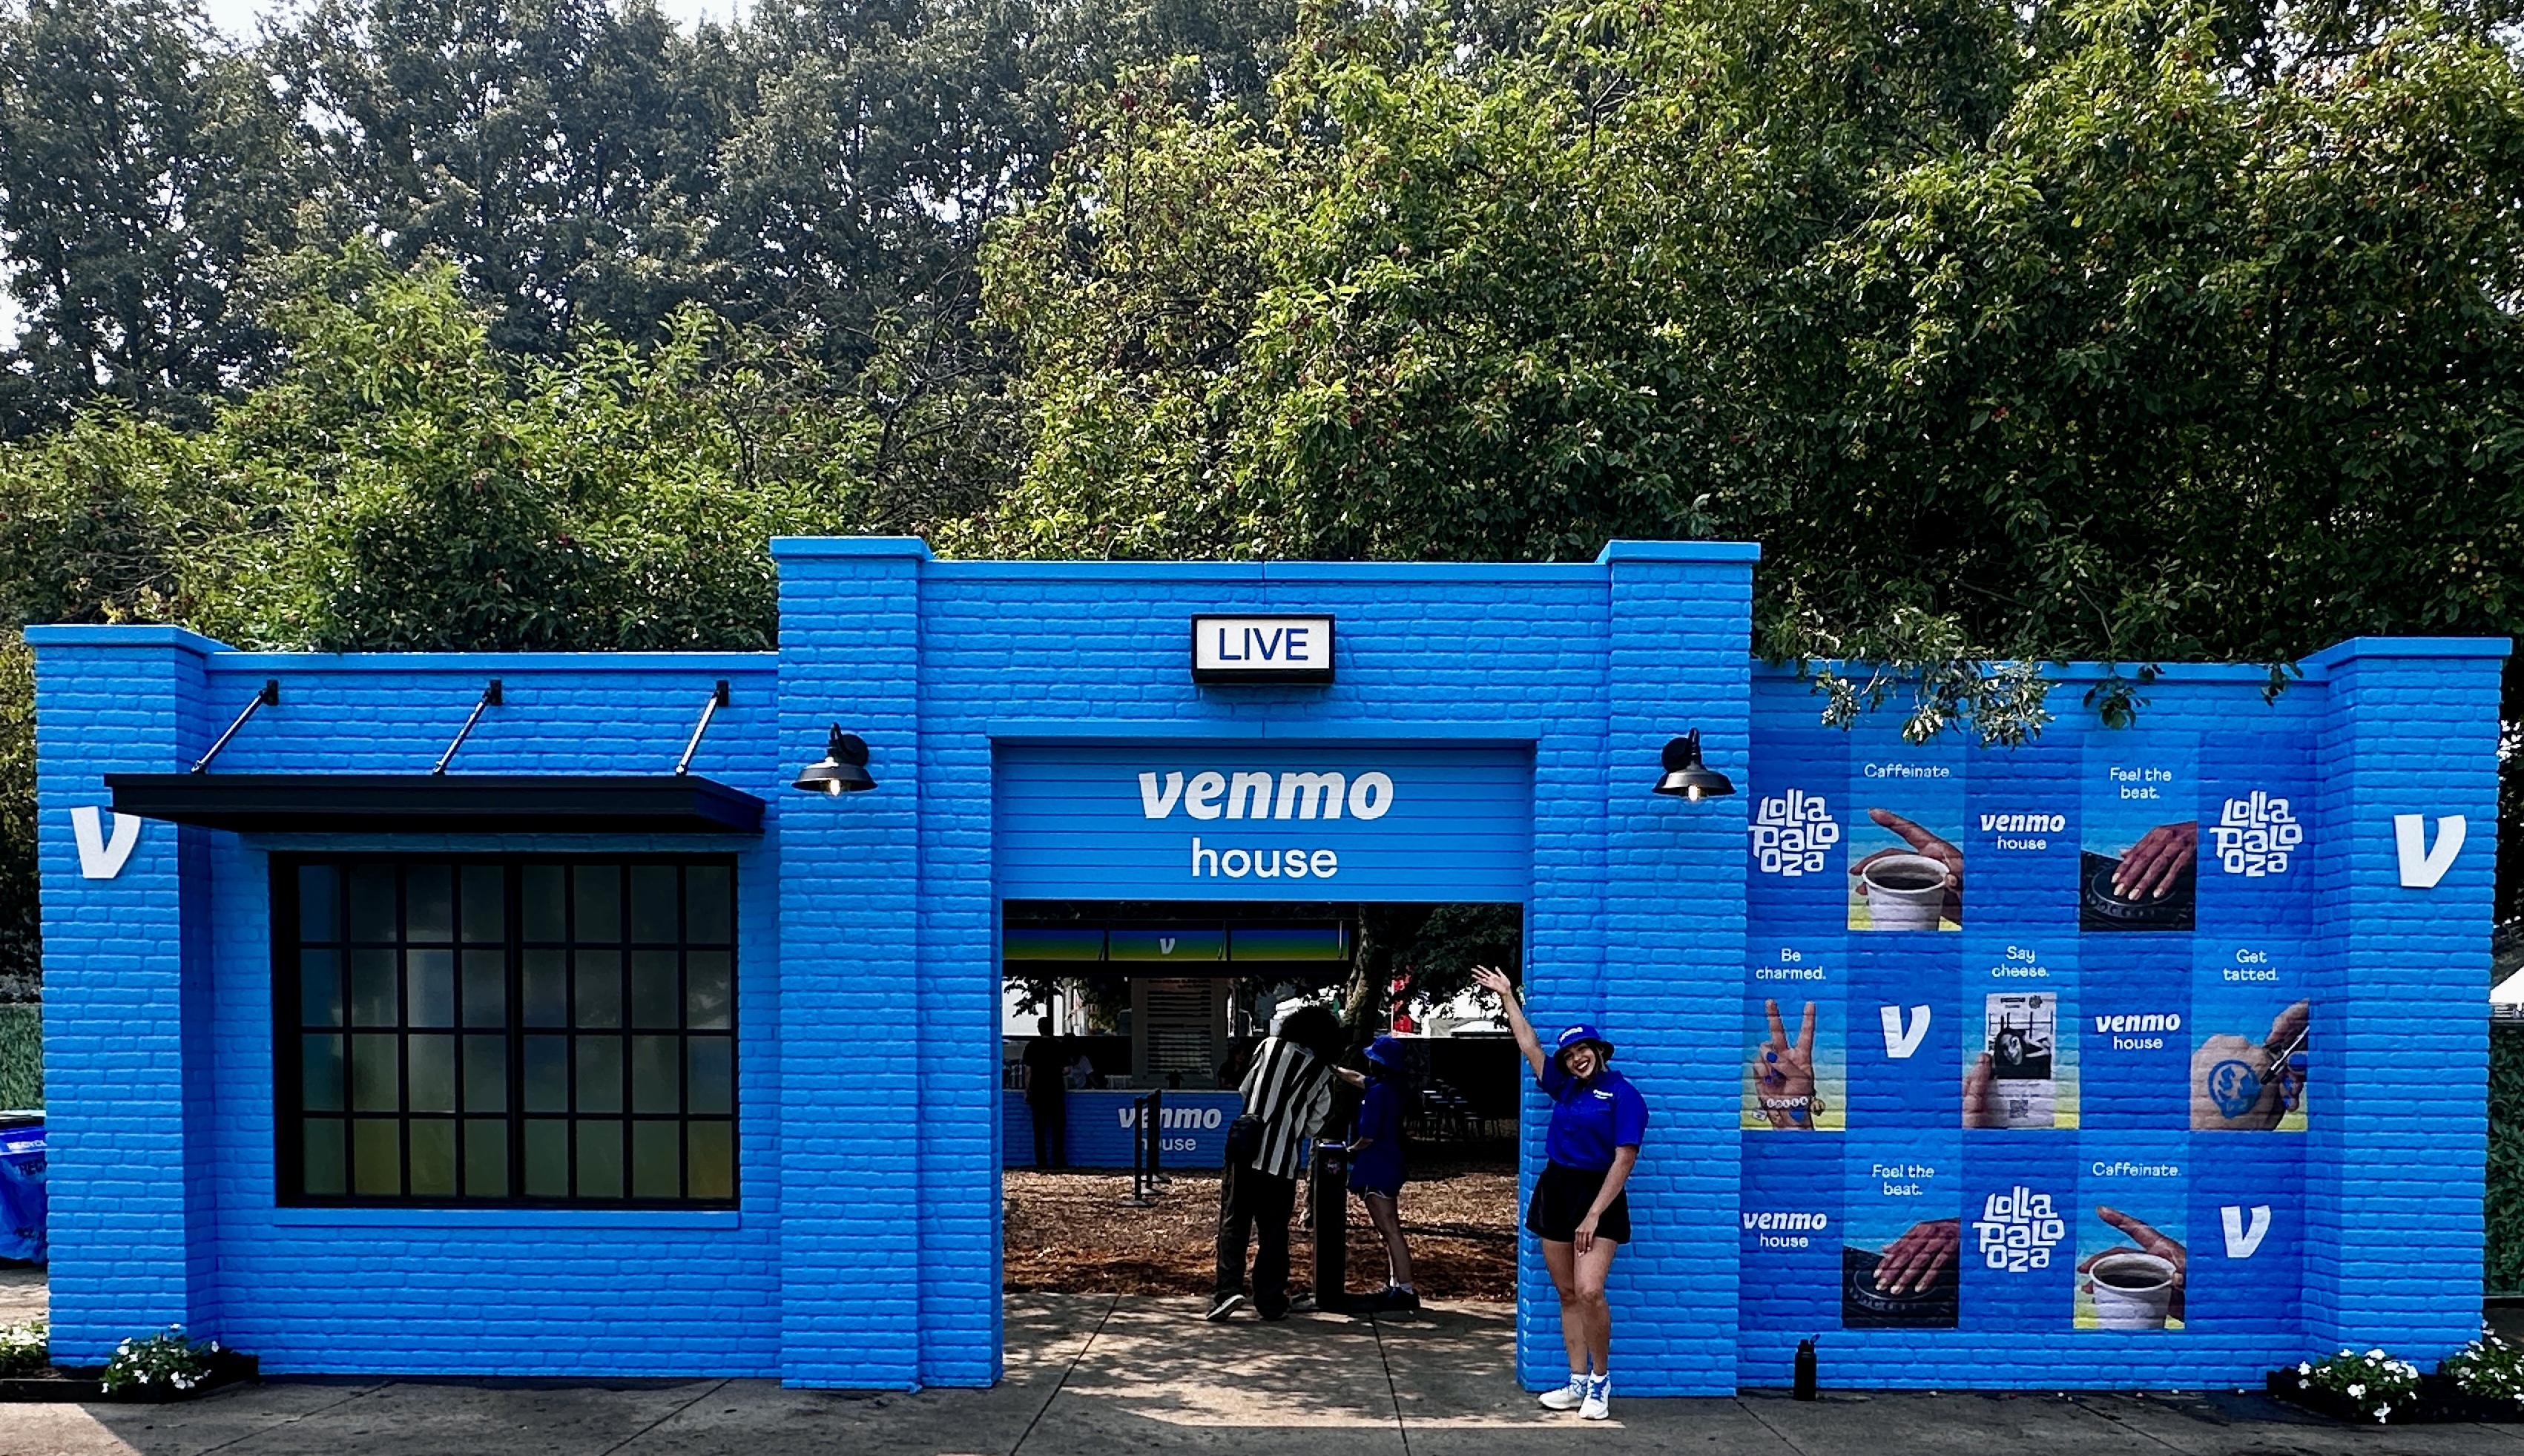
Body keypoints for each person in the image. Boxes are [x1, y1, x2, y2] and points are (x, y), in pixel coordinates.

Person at [1472, 966, 1644, 1422]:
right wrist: (1507, 995)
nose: (1576, 1059)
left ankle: (1601, 1382)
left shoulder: (1624, 1095)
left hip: (1599, 1197)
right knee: (1567, 1292)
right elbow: (1529, 1045)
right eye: (1568, 1055)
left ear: (1598, 1051)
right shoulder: (1564, 1087)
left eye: (1582, 1050)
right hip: (1557, 1188)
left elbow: (1624, 1160)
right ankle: (1577, 1381)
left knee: (1590, 1291)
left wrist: (1593, 1214)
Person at [1211, 1005, 1350, 1322]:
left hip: (1245, 1152)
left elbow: (1245, 1089)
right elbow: (1315, 1125)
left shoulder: (1269, 1047)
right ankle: (1270, 1300)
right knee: (1273, 1233)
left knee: (1234, 1222)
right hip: (1283, 1161)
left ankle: (1228, 1290)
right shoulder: (1322, 1074)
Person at [1340, 1034, 1416, 1312]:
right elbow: (1356, 1078)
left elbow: (1368, 1136)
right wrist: (1333, 1068)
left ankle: (1405, 1289)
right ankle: (1396, 1284)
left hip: (1377, 1167)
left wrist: (1348, 1151)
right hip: (1390, 1164)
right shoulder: (1389, 1088)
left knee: (1391, 1229)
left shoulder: (1377, 1094)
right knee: (1388, 1231)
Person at [1020, 1016, 1069, 1170]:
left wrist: (1027, 1091)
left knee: (1039, 1129)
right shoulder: (1059, 1046)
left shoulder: (1031, 1047)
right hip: (1056, 1091)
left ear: (1039, 1029)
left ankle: (1041, 1162)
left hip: (1038, 1092)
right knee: (1058, 1128)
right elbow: (1067, 1069)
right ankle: (1059, 1161)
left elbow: (1028, 1072)